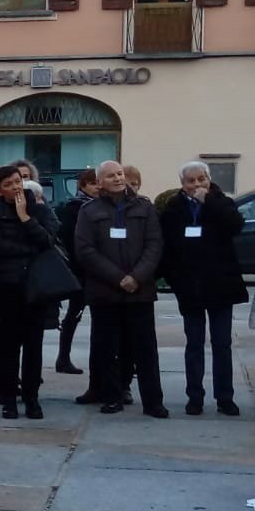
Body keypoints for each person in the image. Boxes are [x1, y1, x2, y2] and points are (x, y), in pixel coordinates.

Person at [73, 160, 167, 418]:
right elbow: (85, 250)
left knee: (145, 349)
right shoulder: (89, 211)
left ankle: (153, 401)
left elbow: (154, 244)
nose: (117, 179)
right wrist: (117, 277)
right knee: (107, 347)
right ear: (99, 181)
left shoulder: (144, 207)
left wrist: (137, 277)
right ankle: (111, 396)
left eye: (120, 174)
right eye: (110, 176)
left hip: (140, 290)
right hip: (105, 290)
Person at [160, 161, 246, 416]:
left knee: (222, 344)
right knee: (194, 343)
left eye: (201, 179)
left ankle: (225, 397)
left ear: (209, 180)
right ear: (182, 184)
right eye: (191, 181)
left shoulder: (222, 202)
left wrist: (208, 201)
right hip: (190, 287)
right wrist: (175, 281)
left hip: (221, 285)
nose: (196, 185)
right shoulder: (174, 208)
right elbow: (168, 249)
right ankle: (194, 396)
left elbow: (234, 225)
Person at [0, 165, 60, 419]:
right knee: (7, 345)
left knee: (34, 345)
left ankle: (32, 397)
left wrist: (25, 218)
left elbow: (48, 240)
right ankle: (8, 397)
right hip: (6, 286)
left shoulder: (39, 209)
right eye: (9, 184)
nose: (15, 187)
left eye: (18, 181)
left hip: (35, 286)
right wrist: (28, 248)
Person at [55, 168, 99, 375]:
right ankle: (63, 357)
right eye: (92, 183)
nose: (97, 187)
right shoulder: (74, 208)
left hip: (97, 271)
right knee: (74, 314)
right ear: (82, 186)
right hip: (80, 269)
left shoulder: (103, 206)